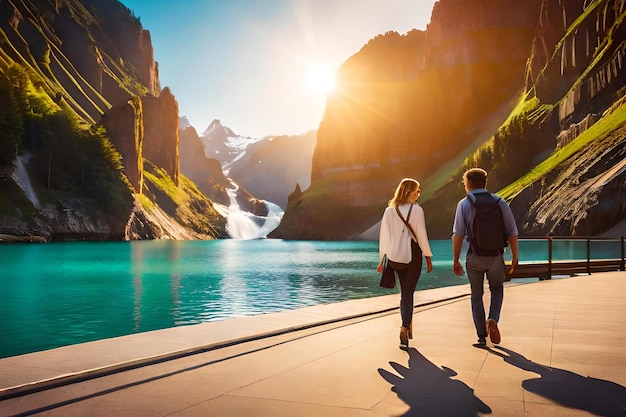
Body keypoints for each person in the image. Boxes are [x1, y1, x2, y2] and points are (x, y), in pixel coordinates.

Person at [452, 168, 519, 347]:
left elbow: (457, 234)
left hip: (474, 257)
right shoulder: (499, 202)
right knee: (497, 289)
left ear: (467, 184)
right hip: (496, 257)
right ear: (484, 183)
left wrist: (456, 259)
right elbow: (512, 231)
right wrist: (515, 257)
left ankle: (482, 336)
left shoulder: (464, 204)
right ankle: (493, 319)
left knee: (476, 295)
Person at [378, 178, 433, 349]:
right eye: (417, 190)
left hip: (395, 258)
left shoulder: (389, 211)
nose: (419, 193)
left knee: (404, 292)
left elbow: (384, 238)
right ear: (409, 192)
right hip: (413, 255)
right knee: (408, 293)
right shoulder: (417, 211)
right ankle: (404, 325)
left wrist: (381, 260)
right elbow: (422, 236)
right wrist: (428, 257)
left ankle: (407, 324)